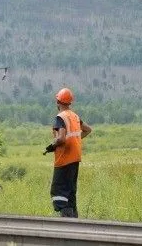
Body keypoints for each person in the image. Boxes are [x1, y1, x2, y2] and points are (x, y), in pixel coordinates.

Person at [43, 87, 92, 218]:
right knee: (70, 192)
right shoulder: (74, 116)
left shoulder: (60, 117)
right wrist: (76, 140)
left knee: (58, 192)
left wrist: (51, 146)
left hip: (64, 159)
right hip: (75, 158)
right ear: (70, 102)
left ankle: (66, 223)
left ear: (58, 102)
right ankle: (74, 222)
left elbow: (61, 138)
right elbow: (87, 129)